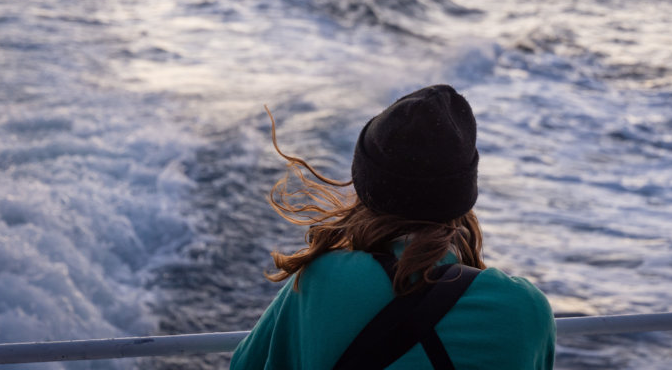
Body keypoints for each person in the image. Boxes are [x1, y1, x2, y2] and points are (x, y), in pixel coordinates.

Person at [230, 84, 555, 369]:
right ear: (463, 198)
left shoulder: (319, 281)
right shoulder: (525, 310)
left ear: (364, 187)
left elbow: (246, 365)